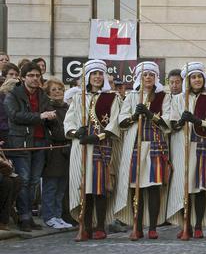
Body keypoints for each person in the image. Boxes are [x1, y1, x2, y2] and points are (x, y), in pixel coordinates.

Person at [64, 59, 121, 241]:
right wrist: (76, 132)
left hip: (101, 146)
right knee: (84, 187)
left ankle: (100, 226)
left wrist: (98, 137)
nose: (97, 77)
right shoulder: (78, 97)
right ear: (88, 77)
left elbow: (115, 123)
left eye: (100, 74)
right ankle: (85, 226)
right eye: (94, 74)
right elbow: (69, 121)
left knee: (100, 187)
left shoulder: (112, 98)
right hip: (81, 147)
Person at [114, 62, 171, 240]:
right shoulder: (132, 96)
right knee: (135, 187)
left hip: (155, 144)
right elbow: (121, 120)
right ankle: (137, 226)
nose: (148, 77)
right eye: (145, 74)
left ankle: (153, 227)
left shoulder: (163, 97)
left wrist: (150, 114)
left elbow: (168, 120)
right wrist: (133, 116)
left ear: (156, 77)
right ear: (140, 76)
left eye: (151, 75)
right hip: (136, 146)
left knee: (153, 187)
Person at [4, 62, 57, 232]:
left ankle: (29, 218)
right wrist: (40, 116)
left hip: (40, 142)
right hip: (21, 142)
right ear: (22, 77)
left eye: (37, 75)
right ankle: (24, 217)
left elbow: (50, 114)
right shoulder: (13, 94)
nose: (35, 79)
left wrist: (52, 117)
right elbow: (15, 115)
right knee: (24, 181)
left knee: (34, 181)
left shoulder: (42, 95)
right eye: (31, 76)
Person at [166, 62, 206, 239]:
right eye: (193, 77)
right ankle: (184, 223)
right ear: (188, 80)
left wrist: (195, 119)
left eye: (199, 77)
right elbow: (172, 123)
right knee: (184, 186)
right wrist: (181, 121)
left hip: (201, 145)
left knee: (200, 186)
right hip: (182, 146)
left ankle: (198, 225)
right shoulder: (179, 98)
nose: (196, 80)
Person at [41, 78, 73, 229]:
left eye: (60, 89)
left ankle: (58, 216)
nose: (58, 92)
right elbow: (56, 132)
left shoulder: (68, 108)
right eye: (53, 90)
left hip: (67, 150)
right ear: (48, 93)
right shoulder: (47, 108)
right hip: (54, 150)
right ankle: (49, 216)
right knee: (51, 185)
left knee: (61, 187)